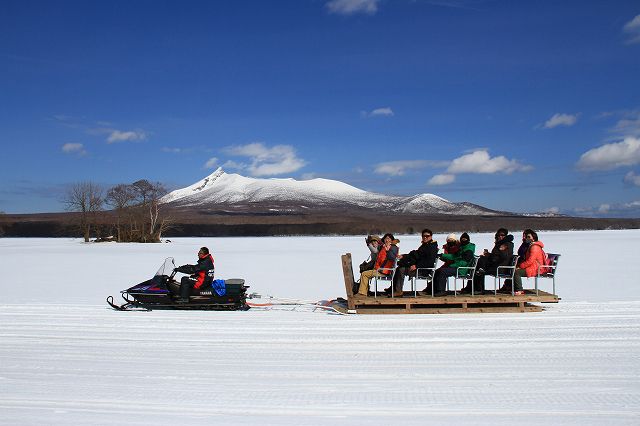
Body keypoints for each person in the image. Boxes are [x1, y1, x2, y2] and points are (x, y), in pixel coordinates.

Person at [461, 228, 514, 294]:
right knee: (478, 266)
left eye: (502, 235)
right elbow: (495, 256)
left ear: (506, 236)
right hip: (495, 265)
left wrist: (501, 249)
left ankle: (480, 289)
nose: (500, 236)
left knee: (480, 270)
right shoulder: (499, 243)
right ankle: (470, 288)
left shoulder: (508, 244)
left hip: (501, 267)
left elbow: (504, 257)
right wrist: (488, 254)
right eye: (499, 235)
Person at [388, 229, 439, 297]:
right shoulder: (425, 246)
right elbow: (415, 255)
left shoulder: (432, 247)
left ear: (431, 236)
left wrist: (416, 266)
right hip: (420, 268)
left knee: (401, 270)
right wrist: (403, 256)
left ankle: (398, 291)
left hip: (423, 270)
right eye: (423, 236)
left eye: (427, 236)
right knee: (399, 268)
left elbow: (429, 261)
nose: (425, 237)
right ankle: (393, 289)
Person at [430, 232, 475, 296]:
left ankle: (441, 290)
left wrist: (452, 265)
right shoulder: (463, 248)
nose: (463, 241)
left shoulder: (468, 251)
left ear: (468, 240)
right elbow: (454, 256)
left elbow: (464, 263)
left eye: (465, 240)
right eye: (462, 239)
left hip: (461, 270)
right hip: (458, 268)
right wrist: (442, 255)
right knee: (438, 271)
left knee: (442, 271)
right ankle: (433, 289)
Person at [500, 230, 544, 295]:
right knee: (513, 269)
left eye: (529, 237)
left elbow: (530, 261)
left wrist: (520, 266)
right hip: (532, 266)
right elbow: (520, 252)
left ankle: (519, 290)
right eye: (526, 237)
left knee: (516, 272)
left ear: (533, 238)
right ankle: (508, 286)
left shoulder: (534, 247)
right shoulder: (530, 245)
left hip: (536, 268)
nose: (527, 238)